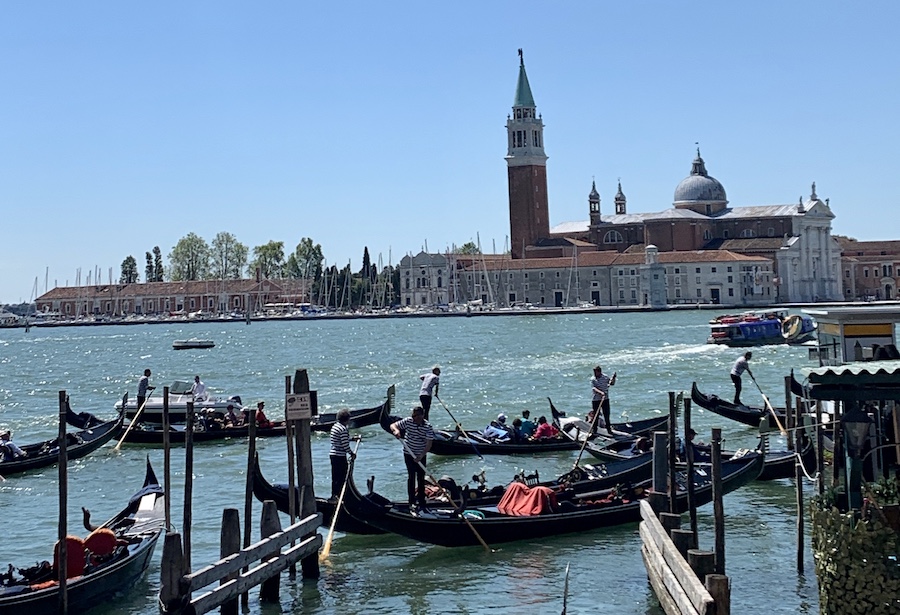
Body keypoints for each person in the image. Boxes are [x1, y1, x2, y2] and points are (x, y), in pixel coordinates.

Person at [389, 406, 435, 512]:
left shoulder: (427, 426)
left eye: (415, 416)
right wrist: (396, 431)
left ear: (421, 416)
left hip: (421, 455)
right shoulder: (408, 421)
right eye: (412, 415)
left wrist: (421, 456)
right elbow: (393, 425)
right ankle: (412, 502)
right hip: (408, 454)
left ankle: (422, 502)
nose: (413, 418)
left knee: (421, 478)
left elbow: (429, 444)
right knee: (411, 476)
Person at [329, 409, 355, 500]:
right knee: (342, 477)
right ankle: (340, 495)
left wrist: (352, 438)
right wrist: (352, 453)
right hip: (339, 456)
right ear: (347, 419)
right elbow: (345, 445)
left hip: (333, 454)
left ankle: (334, 495)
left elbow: (341, 439)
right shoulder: (343, 429)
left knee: (335, 477)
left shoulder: (335, 427)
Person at [591, 365, 617, 431]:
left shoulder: (605, 377)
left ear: (599, 372)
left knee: (606, 415)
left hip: (605, 400)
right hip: (596, 400)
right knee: (595, 416)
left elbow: (611, 383)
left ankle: (609, 429)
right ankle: (594, 430)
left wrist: (614, 378)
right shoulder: (593, 379)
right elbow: (594, 388)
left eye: (595, 372)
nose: (594, 373)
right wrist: (601, 393)